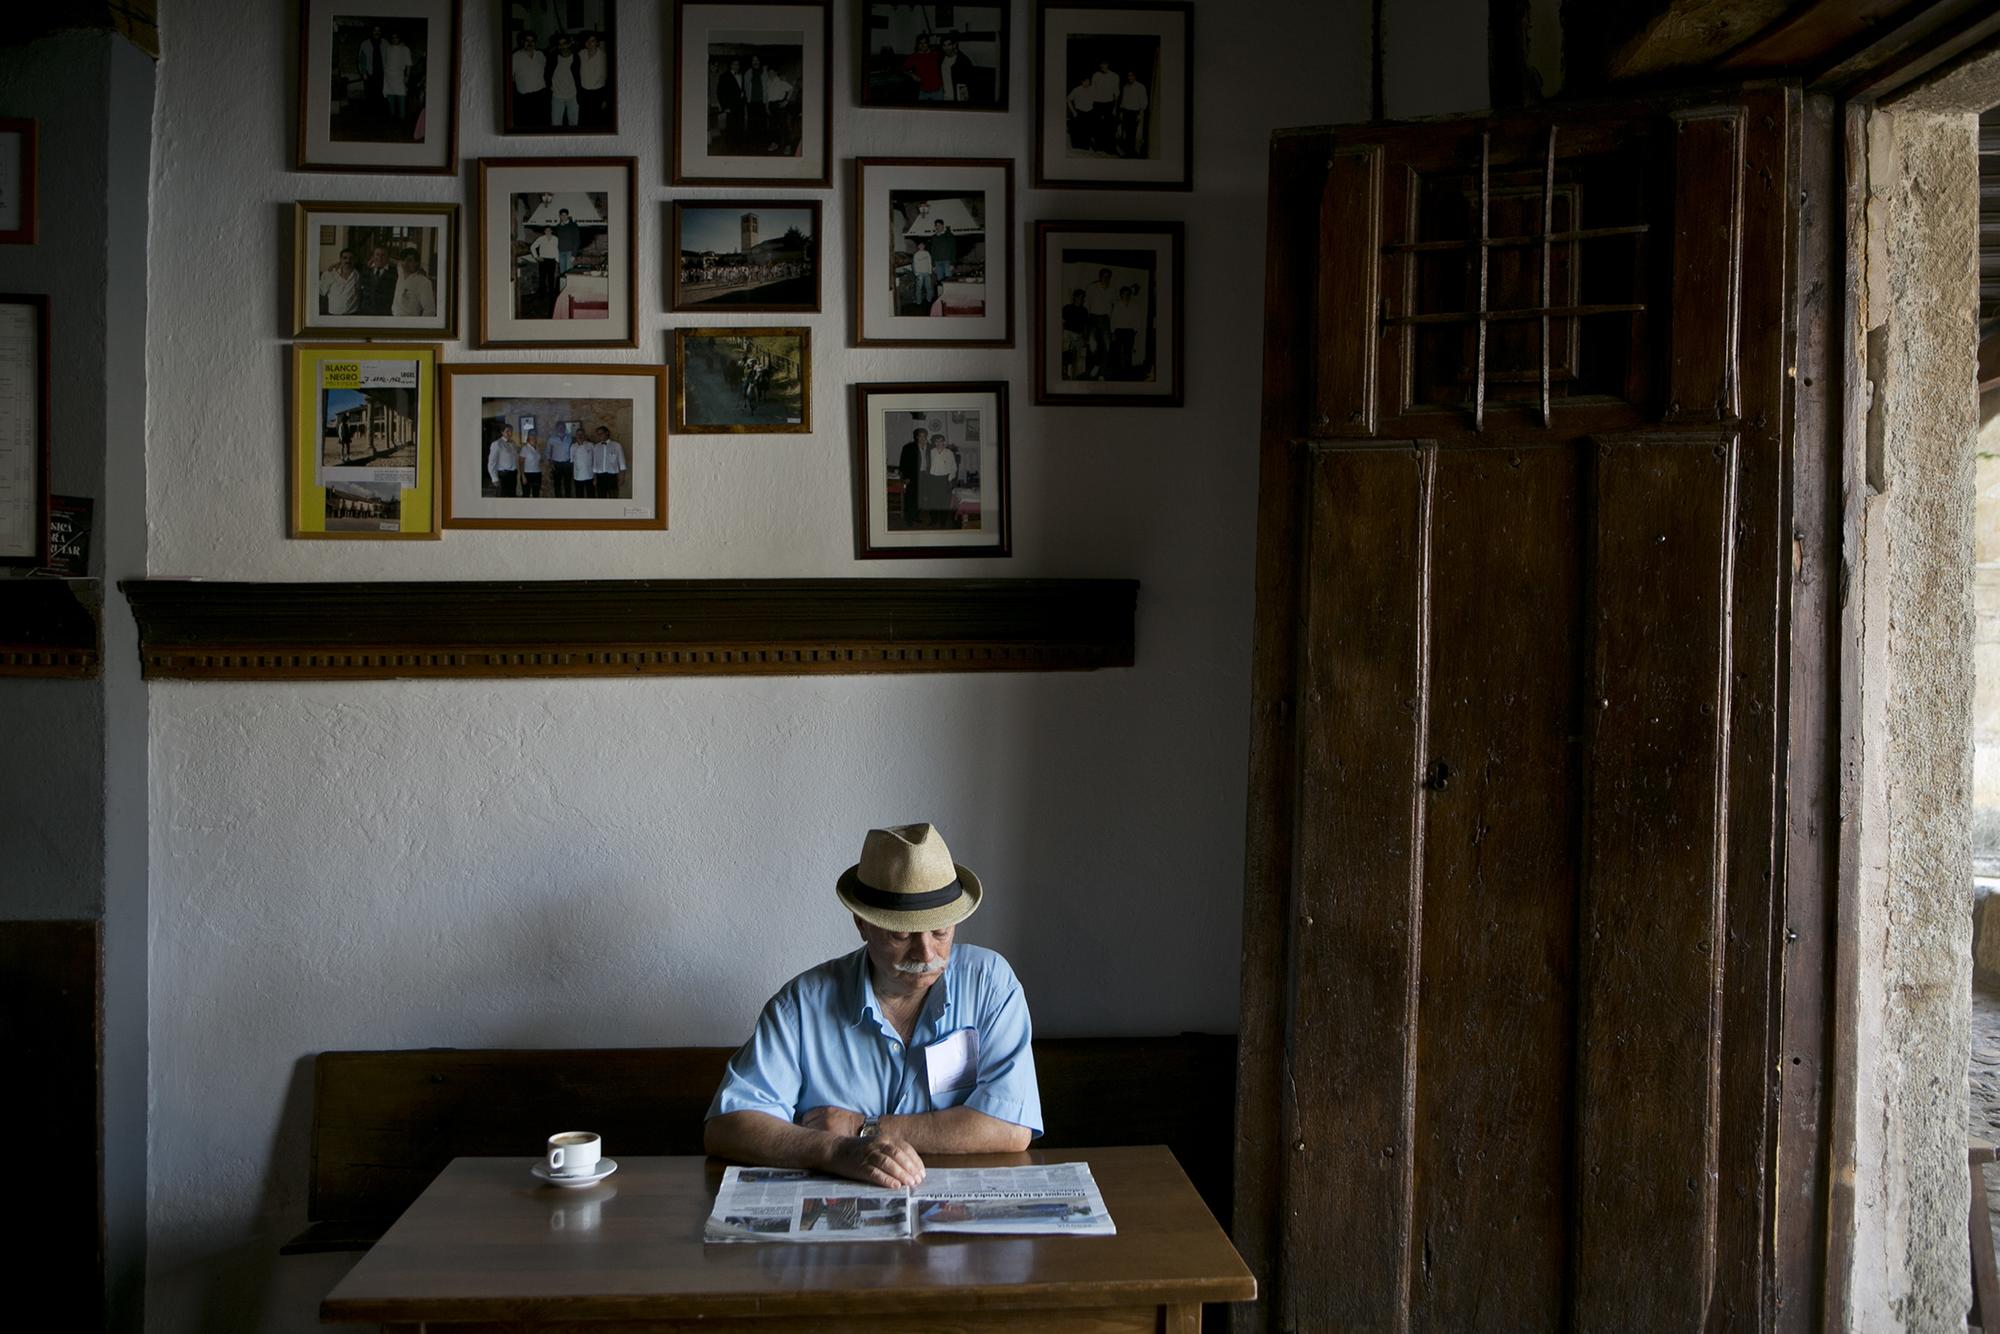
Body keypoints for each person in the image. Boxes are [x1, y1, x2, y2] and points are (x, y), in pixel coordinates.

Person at [704, 823, 1040, 1188]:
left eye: (941, 930)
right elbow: (727, 1126)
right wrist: (833, 1151)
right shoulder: (802, 1005)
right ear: (862, 924)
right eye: (902, 934)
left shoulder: (990, 985)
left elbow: (1010, 1128)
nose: (926, 952)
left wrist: (862, 1128)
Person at [1083, 267, 1116, 378]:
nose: (1106, 278)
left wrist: (1111, 321)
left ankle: (1102, 372)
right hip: (1093, 318)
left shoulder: (1112, 289)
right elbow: (1086, 303)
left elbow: (1114, 305)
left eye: (1108, 276)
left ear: (1110, 278)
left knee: (1107, 346)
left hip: (1105, 319)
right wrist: (1087, 320)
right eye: (1104, 276)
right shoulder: (1092, 287)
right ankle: (1096, 364)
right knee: (1092, 345)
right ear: (1100, 276)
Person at [512, 32, 548, 128]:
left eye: (532, 41)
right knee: (526, 124)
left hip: (540, 95)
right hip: (524, 98)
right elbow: (511, 76)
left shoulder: (540, 55)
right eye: (527, 40)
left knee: (541, 123)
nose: (530, 43)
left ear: (535, 42)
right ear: (522, 42)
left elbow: (544, 70)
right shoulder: (515, 56)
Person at [936, 34, 982, 105]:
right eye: (944, 45)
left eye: (949, 45)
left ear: (954, 45)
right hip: (943, 97)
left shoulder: (963, 60)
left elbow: (972, 81)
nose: (946, 48)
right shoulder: (940, 59)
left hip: (957, 98)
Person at [1110, 283, 1144, 377]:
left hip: (1129, 331)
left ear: (1130, 295)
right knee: (1116, 352)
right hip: (1119, 331)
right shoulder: (1117, 305)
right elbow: (1113, 319)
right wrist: (1113, 332)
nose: (1126, 296)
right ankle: (1116, 372)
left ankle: (1127, 372)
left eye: (1128, 294)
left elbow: (1138, 318)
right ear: (1121, 294)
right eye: (1124, 294)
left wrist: (1136, 330)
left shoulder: (1135, 305)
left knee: (1128, 352)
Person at [382, 31, 414, 127]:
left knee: (401, 98)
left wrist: (407, 76)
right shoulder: (388, 48)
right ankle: (392, 118)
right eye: (392, 37)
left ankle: (402, 120)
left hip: (399, 77)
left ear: (399, 38)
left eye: (396, 37)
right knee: (390, 99)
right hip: (388, 78)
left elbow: (409, 64)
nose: (394, 39)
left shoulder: (405, 49)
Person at [391, 249, 436, 317]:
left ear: (417, 262)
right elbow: (395, 262)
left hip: (409, 323)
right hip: (394, 319)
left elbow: (430, 311)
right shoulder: (401, 272)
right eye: (403, 260)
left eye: (409, 260)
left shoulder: (423, 282)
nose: (405, 263)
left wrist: (417, 326)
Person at [548, 34, 580, 128]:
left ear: (569, 44)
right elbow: (547, 73)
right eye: (560, 44)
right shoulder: (553, 57)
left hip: (573, 96)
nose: (562, 46)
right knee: (556, 124)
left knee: (574, 124)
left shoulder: (576, 58)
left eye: (565, 43)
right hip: (557, 96)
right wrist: (549, 86)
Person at [579, 32, 610, 126]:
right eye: (587, 41)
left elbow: (609, 81)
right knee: (584, 122)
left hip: (598, 94)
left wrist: (605, 99)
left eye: (592, 41)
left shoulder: (603, 57)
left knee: (597, 122)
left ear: (597, 43)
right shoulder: (581, 54)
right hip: (584, 93)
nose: (590, 43)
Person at [897, 426, 926, 528]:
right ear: (916, 437)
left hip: (924, 476)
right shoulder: (908, 447)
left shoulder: (928, 447)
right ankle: (908, 519)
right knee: (910, 499)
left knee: (919, 498)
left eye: (924, 436)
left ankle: (915, 516)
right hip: (912, 477)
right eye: (920, 436)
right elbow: (903, 463)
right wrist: (906, 477)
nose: (922, 438)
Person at [1088, 60, 1120, 153]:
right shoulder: (1096, 75)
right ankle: (1098, 146)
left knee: (1108, 126)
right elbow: (1092, 90)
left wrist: (1114, 107)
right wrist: (1091, 103)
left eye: (1104, 64)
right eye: (1101, 64)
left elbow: (1116, 93)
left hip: (1109, 103)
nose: (1102, 66)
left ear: (1108, 65)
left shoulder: (1114, 76)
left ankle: (1108, 147)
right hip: (1097, 103)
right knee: (1097, 125)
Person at [319, 248, 362, 316]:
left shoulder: (357, 274)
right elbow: (322, 291)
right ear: (340, 259)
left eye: (351, 258)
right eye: (345, 258)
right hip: (334, 313)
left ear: (354, 260)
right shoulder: (330, 274)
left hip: (352, 314)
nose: (348, 260)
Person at [1117, 69, 1149, 158]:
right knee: (1126, 133)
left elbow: (1144, 101)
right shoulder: (1125, 87)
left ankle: (1132, 153)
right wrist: (1121, 113)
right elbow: (1123, 101)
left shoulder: (1140, 87)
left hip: (1135, 113)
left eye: (1132, 75)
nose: (1130, 77)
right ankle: (1127, 152)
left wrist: (1140, 114)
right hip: (1126, 112)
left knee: (1133, 134)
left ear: (1135, 76)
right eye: (1128, 76)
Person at [714, 58, 744, 153]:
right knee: (731, 127)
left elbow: (741, 90)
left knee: (739, 126)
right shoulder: (724, 76)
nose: (736, 66)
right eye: (734, 64)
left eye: (738, 64)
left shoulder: (741, 75)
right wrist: (725, 107)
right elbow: (720, 92)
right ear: (730, 65)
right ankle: (730, 148)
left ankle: (738, 146)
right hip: (730, 107)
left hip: (740, 106)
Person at [529, 226, 561, 314]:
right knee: (542, 278)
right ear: (544, 231)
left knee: (551, 278)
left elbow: (557, 250)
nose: (548, 231)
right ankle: (542, 295)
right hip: (543, 260)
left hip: (552, 261)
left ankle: (551, 295)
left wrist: (557, 260)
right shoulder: (541, 238)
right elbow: (532, 247)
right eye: (546, 230)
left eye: (549, 230)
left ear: (551, 231)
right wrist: (536, 257)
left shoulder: (555, 239)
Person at [1060, 287, 1090, 380]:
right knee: (1065, 352)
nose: (1081, 300)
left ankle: (1077, 375)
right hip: (1068, 333)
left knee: (1080, 356)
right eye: (1080, 297)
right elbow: (1061, 322)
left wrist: (1085, 337)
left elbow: (1085, 325)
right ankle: (1064, 372)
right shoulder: (1067, 308)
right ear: (1075, 297)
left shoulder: (1084, 310)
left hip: (1079, 335)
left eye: (1083, 298)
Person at [903, 34, 944, 101]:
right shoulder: (914, 57)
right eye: (920, 43)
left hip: (938, 91)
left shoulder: (935, 54)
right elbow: (903, 69)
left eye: (925, 43)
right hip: (923, 92)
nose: (922, 45)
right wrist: (912, 74)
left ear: (928, 44)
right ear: (917, 45)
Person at [360, 244, 398, 316]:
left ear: (388, 257)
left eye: (383, 255)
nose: (380, 258)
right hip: (366, 312)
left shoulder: (395, 273)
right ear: (373, 256)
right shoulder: (366, 271)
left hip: (385, 313)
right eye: (377, 254)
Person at [591, 426, 626, 498]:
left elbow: (622, 463)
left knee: (613, 498)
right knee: (601, 499)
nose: (599, 435)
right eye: (598, 434)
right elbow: (594, 464)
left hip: (612, 477)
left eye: (601, 433)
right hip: (600, 477)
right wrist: (595, 478)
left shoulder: (617, 445)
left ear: (607, 433)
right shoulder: (596, 447)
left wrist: (622, 478)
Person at [487, 426, 520, 498]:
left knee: (512, 496)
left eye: (511, 431)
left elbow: (516, 452)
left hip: (513, 474)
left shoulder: (513, 443)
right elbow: (491, 462)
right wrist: (494, 478)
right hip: (503, 475)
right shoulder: (496, 444)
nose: (510, 433)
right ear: (502, 432)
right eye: (507, 431)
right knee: (502, 497)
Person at [1066, 76, 1095, 151]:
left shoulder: (1092, 89)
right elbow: (1068, 99)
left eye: (1088, 81)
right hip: (1079, 112)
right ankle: (1077, 146)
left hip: (1089, 112)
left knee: (1087, 131)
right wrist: (1073, 111)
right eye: (1085, 81)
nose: (1087, 83)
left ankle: (1086, 146)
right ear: (1082, 82)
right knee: (1078, 131)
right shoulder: (1077, 90)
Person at [547, 425, 574, 498]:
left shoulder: (569, 438)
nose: (561, 429)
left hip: (567, 464)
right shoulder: (552, 439)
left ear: (565, 428)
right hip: (556, 464)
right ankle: (558, 500)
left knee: (568, 483)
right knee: (557, 484)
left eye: (562, 427)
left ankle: (568, 499)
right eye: (559, 427)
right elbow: (548, 452)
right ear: (556, 428)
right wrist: (551, 464)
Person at [554, 208, 582, 274]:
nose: (563, 217)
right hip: (560, 252)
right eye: (562, 215)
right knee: (562, 273)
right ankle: (563, 284)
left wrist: (573, 254)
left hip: (570, 252)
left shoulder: (573, 225)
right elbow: (555, 241)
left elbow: (577, 240)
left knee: (569, 273)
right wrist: (556, 254)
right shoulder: (558, 227)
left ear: (567, 216)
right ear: (559, 216)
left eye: (565, 215)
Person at [929, 220, 957, 286]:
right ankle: (941, 295)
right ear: (935, 227)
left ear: (943, 226)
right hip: (937, 262)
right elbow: (932, 251)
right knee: (940, 281)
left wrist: (952, 263)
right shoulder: (933, 237)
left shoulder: (949, 235)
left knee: (949, 281)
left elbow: (953, 250)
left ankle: (950, 295)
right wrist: (933, 265)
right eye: (936, 225)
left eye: (939, 225)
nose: (938, 227)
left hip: (947, 262)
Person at [570, 428, 596, 498]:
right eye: (578, 434)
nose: (580, 436)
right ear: (576, 435)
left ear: (584, 435)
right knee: (579, 495)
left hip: (589, 475)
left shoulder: (591, 445)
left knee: (591, 495)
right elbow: (572, 462)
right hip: (578, 476)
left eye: (581, 434)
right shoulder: (573, 447)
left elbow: (595, 460)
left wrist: (595, 476)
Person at [910, 241, 934, 313]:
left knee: (929, 287)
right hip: (919, 274)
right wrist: (916, 273)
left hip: (927, 273)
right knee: (919, 288)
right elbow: (914, 265)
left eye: (922, 245)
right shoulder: (916, 254)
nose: (921, 246)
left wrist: (930, 271)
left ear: (924, 246)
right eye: (920, 245)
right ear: (918, 246)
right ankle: (918, 302)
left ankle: (929, 300)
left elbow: (929, 262)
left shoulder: (927, 253)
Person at [518, 432, 544, 497]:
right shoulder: (525, 448)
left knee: (536, 494)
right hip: (527, 474)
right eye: (532, 436)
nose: (534, 437)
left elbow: (538, 460)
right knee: (526, 494)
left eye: (535, 436)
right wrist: (523, 476)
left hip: (537, 474)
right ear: (528, 438)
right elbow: (521, 463)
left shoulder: (537, 448)